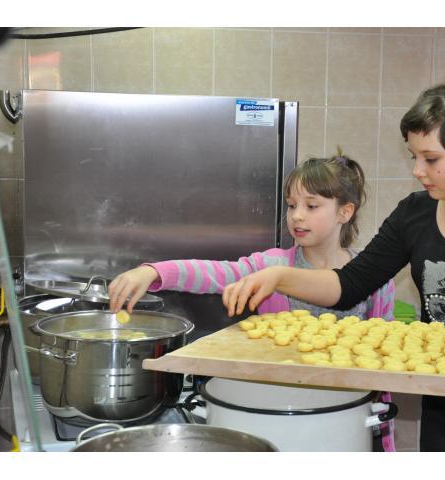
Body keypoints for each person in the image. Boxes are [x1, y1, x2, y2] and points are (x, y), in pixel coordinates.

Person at [221, 82, 445, 452]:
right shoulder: (414, 215)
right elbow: (349, 285)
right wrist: (279, 276)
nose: (417, 170)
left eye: (430, 159)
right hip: (441, 409)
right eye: (414, 156)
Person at [107, 153, 397, 451]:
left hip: (345, 420)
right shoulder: (270, 267)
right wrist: (155, 272)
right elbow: (214, 273)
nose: (297, 216)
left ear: (344, 212)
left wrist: (384, 442)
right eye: (292, 205)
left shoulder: (374, 277)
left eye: (311, 206)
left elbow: (385, 361)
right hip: (276, 413)